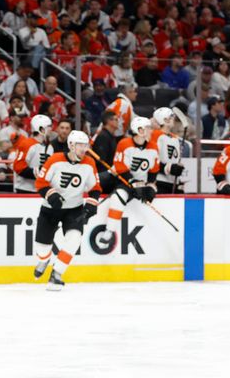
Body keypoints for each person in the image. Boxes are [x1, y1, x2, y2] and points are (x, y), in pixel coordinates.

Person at [33, 131, 101, 290]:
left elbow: (95, 188)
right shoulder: (55, 159)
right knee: (42, 248)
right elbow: (41, 183)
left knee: (74, 239)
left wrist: (91, 204)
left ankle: (56, 274)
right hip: (50, 209)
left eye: (86, 145)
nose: (84, 149)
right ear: (71, 145)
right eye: (81, 145)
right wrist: (52, 196)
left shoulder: (89, 163)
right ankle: (44, 259)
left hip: (74, 209)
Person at [99, 117, 159, 249]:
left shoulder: (154, 147)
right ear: (140, 130)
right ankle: (109, 231)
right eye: (148, 128)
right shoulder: (124, 143)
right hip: (123, 180)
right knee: (117, 197)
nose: (151, 131)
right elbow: (120, 167)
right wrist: (134, 183)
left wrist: (150, 186)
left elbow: (154, 170)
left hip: (140, 182)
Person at [13, 114, 55, 194]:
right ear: (41, 129)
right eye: (49, 126)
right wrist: (40, 171)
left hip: (42, 189)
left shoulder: (50, 147)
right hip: (25, 189)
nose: (51, 129)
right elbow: (19, 167)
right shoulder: (27, 144)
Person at [150, 108, 185, 194]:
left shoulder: (175, 138)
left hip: (173, 183)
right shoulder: (155, 135)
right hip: (160, 182)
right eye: (172, 116)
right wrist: (166, 168)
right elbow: (150, 159)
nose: (174, 119)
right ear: (165, 120)